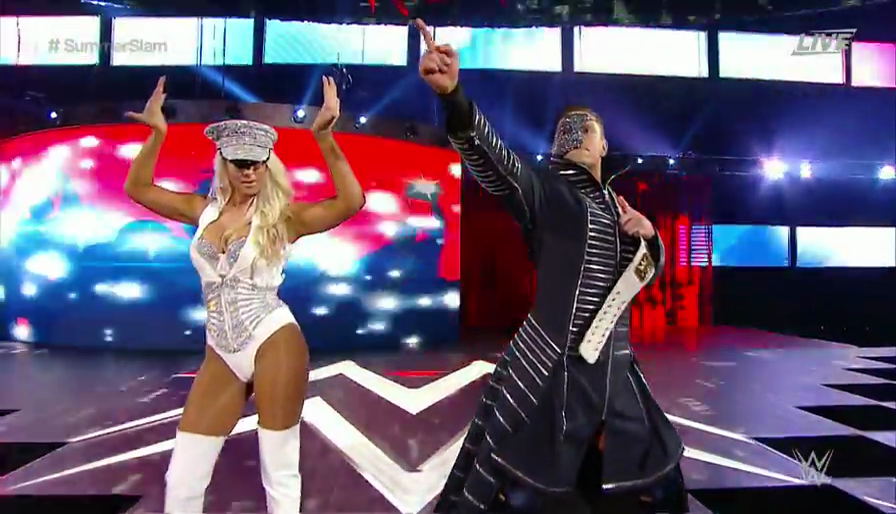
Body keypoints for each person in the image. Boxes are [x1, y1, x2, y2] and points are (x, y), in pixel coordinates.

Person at [415, 20, 688, 514]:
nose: (580, 134)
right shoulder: (545, 189)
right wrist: (454, 98)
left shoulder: (620, 210)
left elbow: (642, 280)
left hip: (616, 372)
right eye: (573, 130)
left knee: (651, 489)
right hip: (545, 372)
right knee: (526, 493)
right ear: (563, 143)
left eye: (588, 128)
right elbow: (495, 161)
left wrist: (650, 238)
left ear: (603, 146)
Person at [123, 75, 364, 513]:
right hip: (221, 349)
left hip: (274, 339)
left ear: (268, 164)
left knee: (279, 469)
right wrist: (156, 134)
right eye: (241, 163)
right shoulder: (202, 211)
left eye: (257, 163)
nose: (250, 171)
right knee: (183, 477)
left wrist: (325, 139)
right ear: (225, 164)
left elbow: (351, 202)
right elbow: (137, 189)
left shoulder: (282, 218)